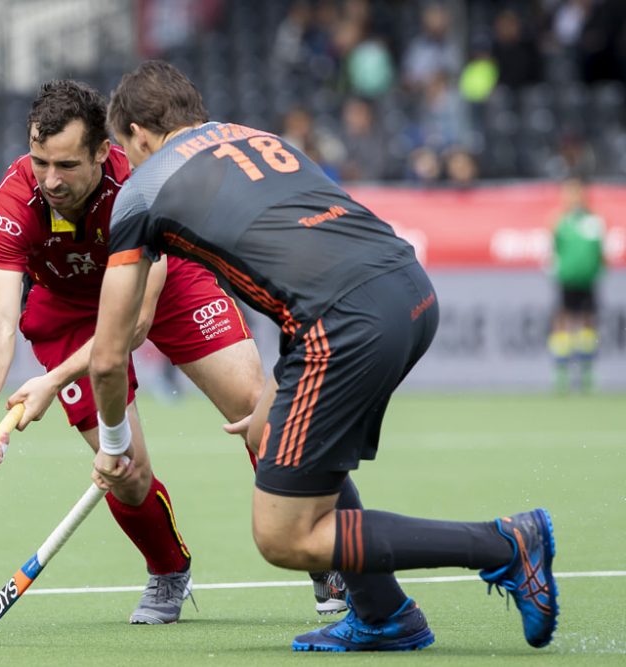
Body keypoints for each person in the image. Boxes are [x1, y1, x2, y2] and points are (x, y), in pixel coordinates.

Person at [90, 61, 558, 652]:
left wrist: (113, 449)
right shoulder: (259, 139)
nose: (128, 164)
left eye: (127, 150)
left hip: (344, 323)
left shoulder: (143, 188)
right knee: (308, 468)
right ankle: (384, 613)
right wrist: (273, 397)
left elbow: (108, 357)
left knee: (284, 535)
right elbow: (304, 263)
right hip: (408, 288)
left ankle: (506, 544)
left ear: (137, 132)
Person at [0, 79, 292, 625]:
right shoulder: (14, 201)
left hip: (161, 288)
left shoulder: (142, 184)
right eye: (40, 160)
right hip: (69, 310)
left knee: (257, 408)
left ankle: (327, 560)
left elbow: (134, 324)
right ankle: (168, 569)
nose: (50, 180)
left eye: (67, 165)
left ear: (101, 151)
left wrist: (51, 381)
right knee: (126, 470)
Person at [548, 175, 605, 393]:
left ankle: (586, 371)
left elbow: (601, 254)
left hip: (587, 282)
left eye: (576, 192)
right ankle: (561, 372)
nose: (573, 197)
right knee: (563, 322)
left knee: (588, 324)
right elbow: (553, 251)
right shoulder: (559, 221)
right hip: (566, 281)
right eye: (569, 192)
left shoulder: (594, 222)